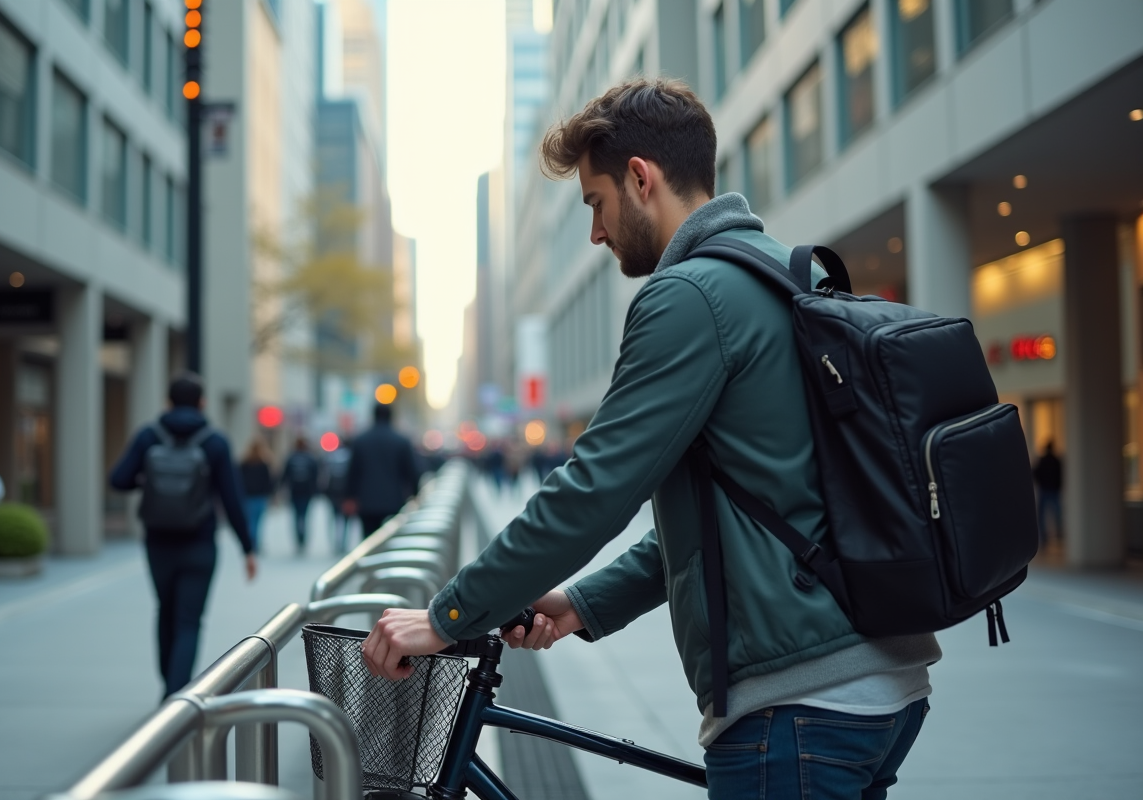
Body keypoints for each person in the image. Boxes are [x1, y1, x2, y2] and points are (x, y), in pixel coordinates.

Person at [361, 79, 940, 800]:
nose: (597, 232)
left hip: (797, 706)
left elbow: (594, 491)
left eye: (596, 204)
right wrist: (583, 603)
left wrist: (448, 616)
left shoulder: (690, 295)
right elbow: (731, 515)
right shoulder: (777, 276)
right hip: (875, 686)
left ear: (641, 178)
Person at [109, 372, 256, 698]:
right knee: (190, 620)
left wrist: (147, 480)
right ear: (202, 402)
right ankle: (176, 697)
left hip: (158, 541)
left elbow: (118, 479)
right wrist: (247, 548)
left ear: (168, 401)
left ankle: (167, 684)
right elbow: (232, 499)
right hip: (200, 543)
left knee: (165, 610)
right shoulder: (214, 441)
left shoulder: (149, 436)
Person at [342, 403, 421, 538]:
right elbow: (411, 471)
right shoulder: (401, 441)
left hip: (367, 502)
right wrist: (415, 494)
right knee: (391, 539)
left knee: (369, 540)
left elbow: (353, 472)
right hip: (393, 501)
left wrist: (349, 497)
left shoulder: (361, 440)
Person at [281, 437, 320, 553]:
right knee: (304, 515)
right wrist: (316, 491)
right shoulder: (310, 458)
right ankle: (303, 537)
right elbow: (316, 476)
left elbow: (285, 475)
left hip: (294, 491)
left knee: (296, 516)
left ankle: (298, 538)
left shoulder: (291, 458)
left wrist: (281, 489)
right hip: (307, 492)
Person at [240, 437, 275, 552]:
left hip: (248, 496)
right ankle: (254, 543)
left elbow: (239, 481)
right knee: (258, 522)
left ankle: (251, 542)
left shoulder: (244, 463)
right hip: (260, 497)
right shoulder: (263, 464)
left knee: (251, 521)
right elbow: (268, 482)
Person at [323, 436, 354, 553]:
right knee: (346, 519)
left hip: (333, 492)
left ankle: (337, 541)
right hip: (346, 493)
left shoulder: (332, 457)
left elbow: (326, 475)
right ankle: (344, 542)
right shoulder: (351, 457)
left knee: (335, 517)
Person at [1033, 440, 1063, 548]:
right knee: (1057, 513)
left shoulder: (1043, 460)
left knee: (1042, 515)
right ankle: (1059, 533)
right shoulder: (1056, 460)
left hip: (1045, 489)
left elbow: (1035, 473)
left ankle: (1045, 538)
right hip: (1053, 490)